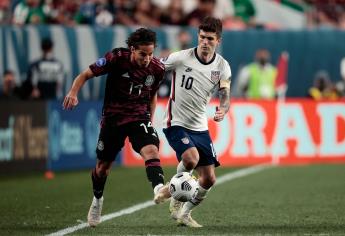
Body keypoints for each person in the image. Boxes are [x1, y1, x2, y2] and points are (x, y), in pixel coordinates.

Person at [62, 28, 167, 227]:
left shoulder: (157, 69)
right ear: (132, 49)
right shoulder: (117, 58)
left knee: (152, 149)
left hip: (138, 117)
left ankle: (159, 189)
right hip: (113, 119)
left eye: (150, 54)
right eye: (143, 54)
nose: (147, 58)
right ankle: (98, 199)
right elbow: (85, 74)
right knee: (102, 169)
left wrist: (149, 121)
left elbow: (152, 96)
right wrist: (73, 92)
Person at [157, 16, 231, 227]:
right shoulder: (181, 57)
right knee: (190, 159)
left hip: (200, 126)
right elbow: (154, 69)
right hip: (175, 121)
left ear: (218, 40)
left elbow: (225, 94)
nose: (205, 42)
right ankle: (173, 191)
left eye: (209, 38)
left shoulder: (222, 67)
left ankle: (185, 213)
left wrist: (223, 109)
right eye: (202, 37)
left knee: (209, 179)